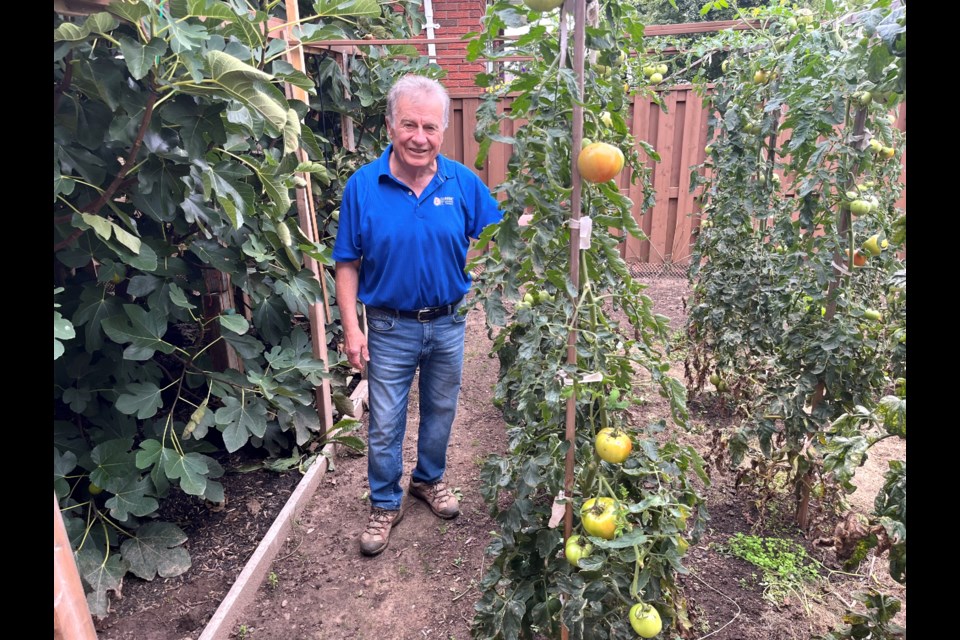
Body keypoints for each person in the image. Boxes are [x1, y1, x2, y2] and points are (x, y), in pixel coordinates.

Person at [332, 75, 503, 557]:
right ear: (390, 124)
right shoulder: (363, 186)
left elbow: (497, 237)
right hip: (388, 326)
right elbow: (347, 262)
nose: (419, 137)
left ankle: (428, 480)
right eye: (409, 124)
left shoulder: (462, 182)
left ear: (443, 131)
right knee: (385, 421)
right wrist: (352, 327)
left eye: (430, 126)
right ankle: (385, 503)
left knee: (441, 411)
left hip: (449, 323)